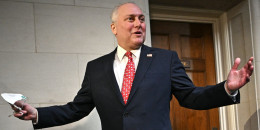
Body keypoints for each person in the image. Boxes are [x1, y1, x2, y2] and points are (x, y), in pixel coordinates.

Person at [12, 2, 254, 130]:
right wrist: (38, 115)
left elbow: (191, 97)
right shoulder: (96, 68)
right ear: (114, 27)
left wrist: (227, 89)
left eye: (141, 19)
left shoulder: (165, 59)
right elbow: (77, 108)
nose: (138, 23)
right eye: (131, 19)